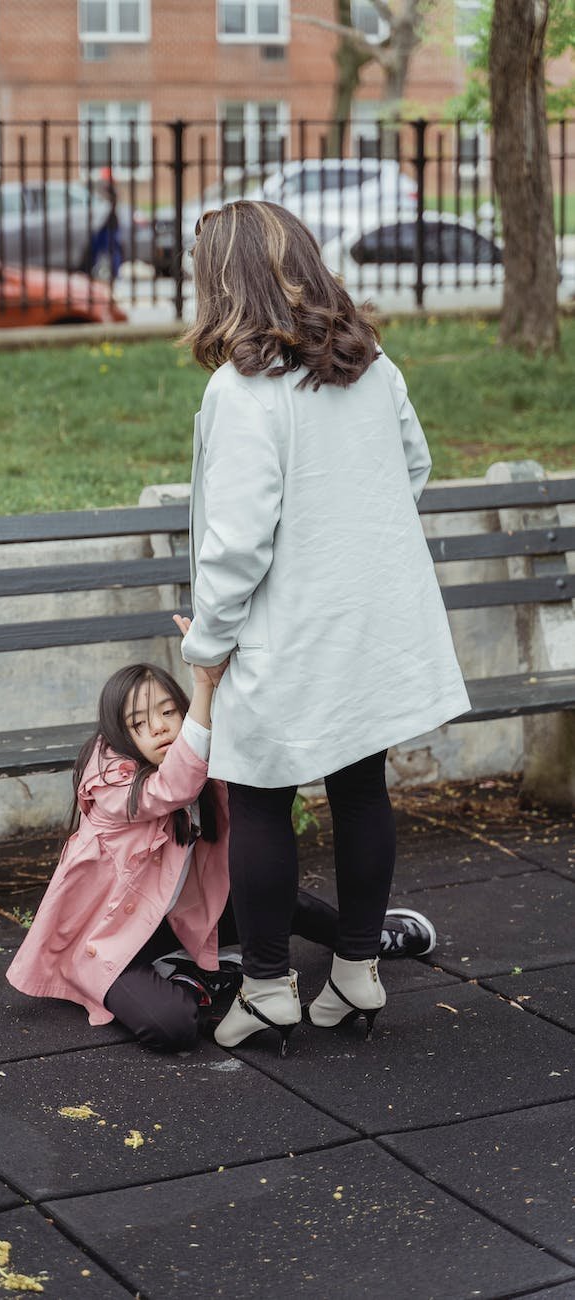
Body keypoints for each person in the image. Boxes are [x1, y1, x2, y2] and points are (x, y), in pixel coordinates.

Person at [178, 199, 469, 1054]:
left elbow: (234, 543)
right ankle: (353, 969)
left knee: (259, 795)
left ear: (223, 281)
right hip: (367, 617)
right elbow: (411, 466)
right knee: (358, 784)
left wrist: (207, 645)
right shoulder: (370, 366)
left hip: (287, 626)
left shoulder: (242, 391)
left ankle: (267, 985)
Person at [6, 644, 439, 1054]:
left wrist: (225, 670)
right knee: (175, 1027)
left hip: (174, 919)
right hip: (113, 941)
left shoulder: (199, 763)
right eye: (139, 723)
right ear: (119, 735)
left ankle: (368, 940)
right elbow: (172, 787)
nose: (158, 727)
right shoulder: (112, 784)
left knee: (280, 904)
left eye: (167, 712)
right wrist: (204, 686)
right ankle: (189, 977)